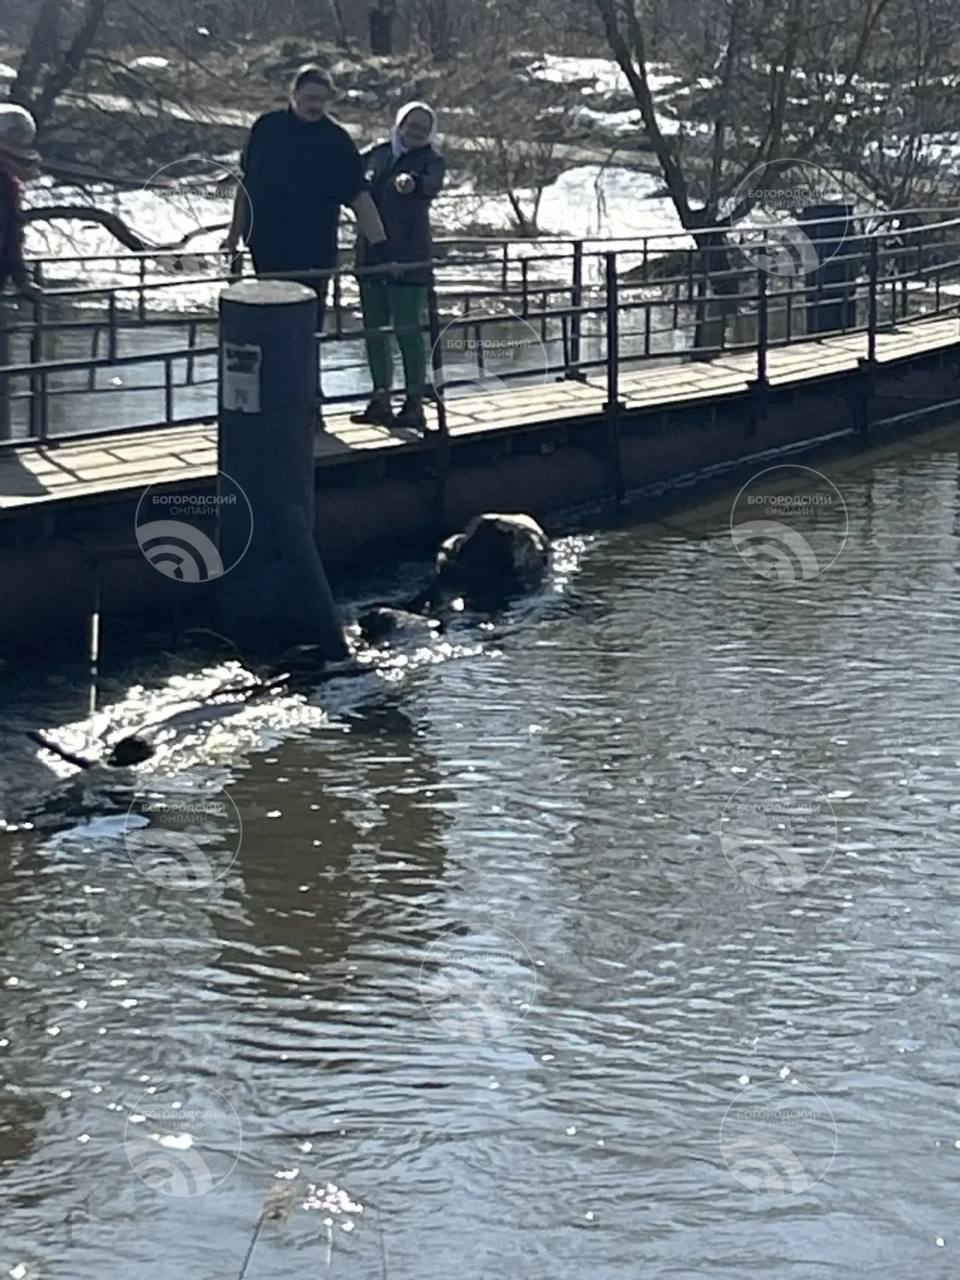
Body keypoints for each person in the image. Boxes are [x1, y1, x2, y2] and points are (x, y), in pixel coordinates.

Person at [224, 65, 390, 427]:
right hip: (266, 242)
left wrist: (379, 243)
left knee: (306, 327)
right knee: (268, 324)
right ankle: (273, 402)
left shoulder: (336, 141)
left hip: (313, 248)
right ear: (293, 95)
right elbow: (245, 185)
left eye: (321, 100)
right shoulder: (266, 129)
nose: (315, 105)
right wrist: (233, 236)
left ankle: (309, 403)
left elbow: (358, 196)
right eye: (309, 98)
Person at [352, 101, 445, 432]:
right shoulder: (377, 154)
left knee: (407, 331)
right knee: (374, 332)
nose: (416, 130)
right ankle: (380, 400)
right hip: (371, 256)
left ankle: (414, 403)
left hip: (409, 257)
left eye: (423, 126)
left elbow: (430, 183)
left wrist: (413, 183)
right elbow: (349, 176)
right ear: (400, 123)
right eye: (411, 123)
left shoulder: (431, 160)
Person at [0, 105, 42, 301]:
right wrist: (22, 280)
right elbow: (10, 233)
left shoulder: (7, 183)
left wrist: (21, 278)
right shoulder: (6, 184)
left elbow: (10, 234)